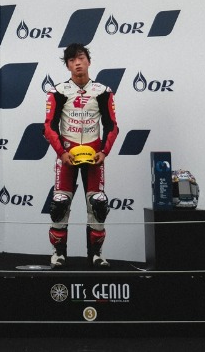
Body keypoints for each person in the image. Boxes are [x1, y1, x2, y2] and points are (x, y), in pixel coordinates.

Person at [43, 43, 118, 268]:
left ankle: (96, 255)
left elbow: (112, 125)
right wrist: (61, 152)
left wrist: (104, 151)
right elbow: (49, 126)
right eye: (72, 60)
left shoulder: (103, 91)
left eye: (81, 58)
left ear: (89, 61)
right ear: (67, 65)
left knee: (98, 204)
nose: (77, 63)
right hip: (67, 155)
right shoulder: (58, 91)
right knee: (60, 204)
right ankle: (58, 254)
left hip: (94, 157)